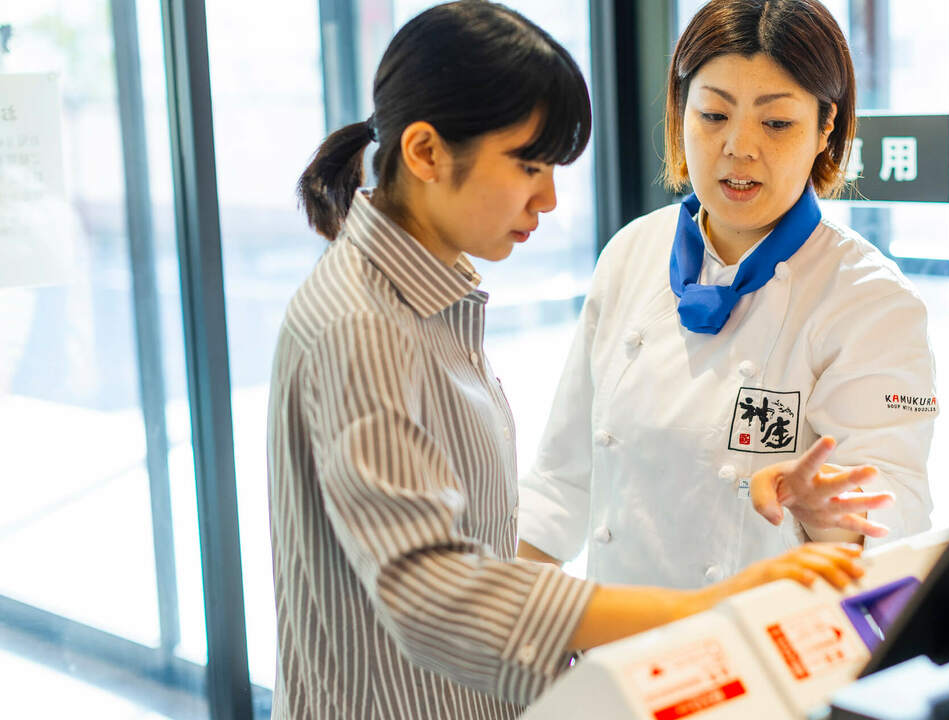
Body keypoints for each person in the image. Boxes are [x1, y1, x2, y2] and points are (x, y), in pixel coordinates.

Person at [267, 3, 864, 719]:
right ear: (425, 154)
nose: (549, 198)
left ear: (825, 126)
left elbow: (882, 508)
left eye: (775, 122)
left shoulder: (433, 297)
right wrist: (701, 609)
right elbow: (440, 582)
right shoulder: (361, 325)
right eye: (529, 165)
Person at [518, 0, 938, 589]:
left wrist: (826, 517)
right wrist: (495, 630)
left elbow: (896, 509)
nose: (739, 147)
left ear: (826, 130)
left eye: (776, 123)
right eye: (714, 115)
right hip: (620, 644)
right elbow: (563, 480)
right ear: (680, 113)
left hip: (764, 652)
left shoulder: (868, 301)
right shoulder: (631, 254)